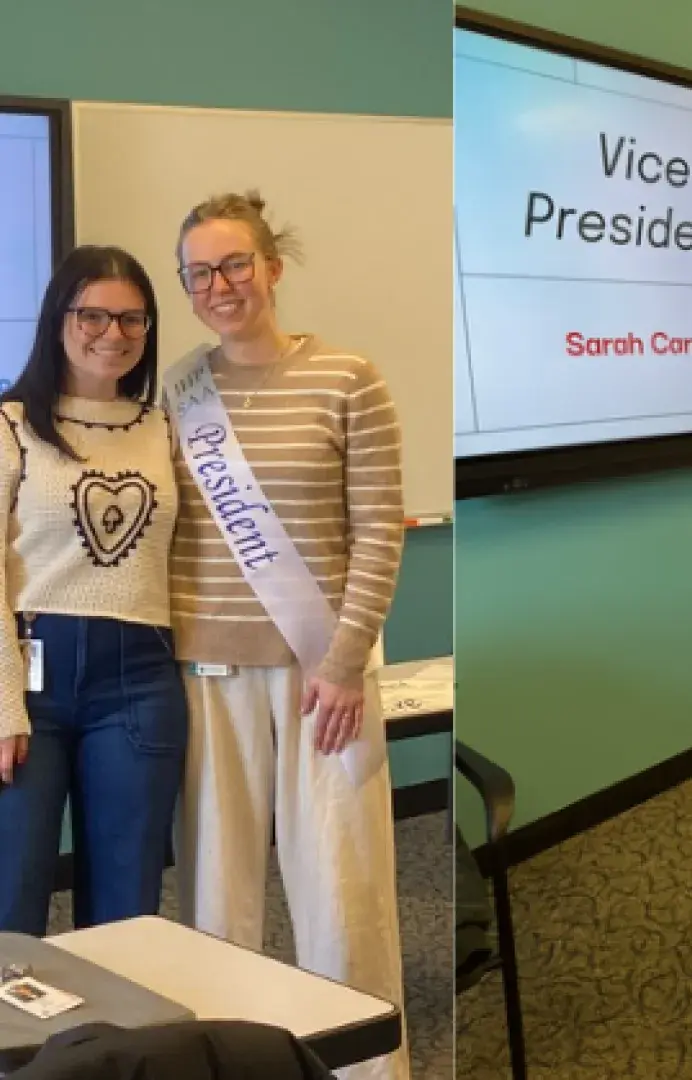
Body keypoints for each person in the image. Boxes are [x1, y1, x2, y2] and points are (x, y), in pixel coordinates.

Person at [165, 192, 410, 1080]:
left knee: (343, 896)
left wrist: (342, 663)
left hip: (323, 676)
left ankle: (365, 1071)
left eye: (236, 264)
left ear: (272, 267)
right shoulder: (178, 393)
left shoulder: (348, 377)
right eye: (200, 273)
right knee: (213, 906)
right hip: (205, 674)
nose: (221, 285)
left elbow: (379, 530)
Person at [0, 246, 186, 936]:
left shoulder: (164, 428)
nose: (114, 333)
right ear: (59, 319)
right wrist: (4, 706)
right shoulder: (11, 425)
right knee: (13, 891)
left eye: (132, 319)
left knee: (127, 904)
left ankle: (110, 1016)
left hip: (140, 682)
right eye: (93, 315)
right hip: (29, 681)